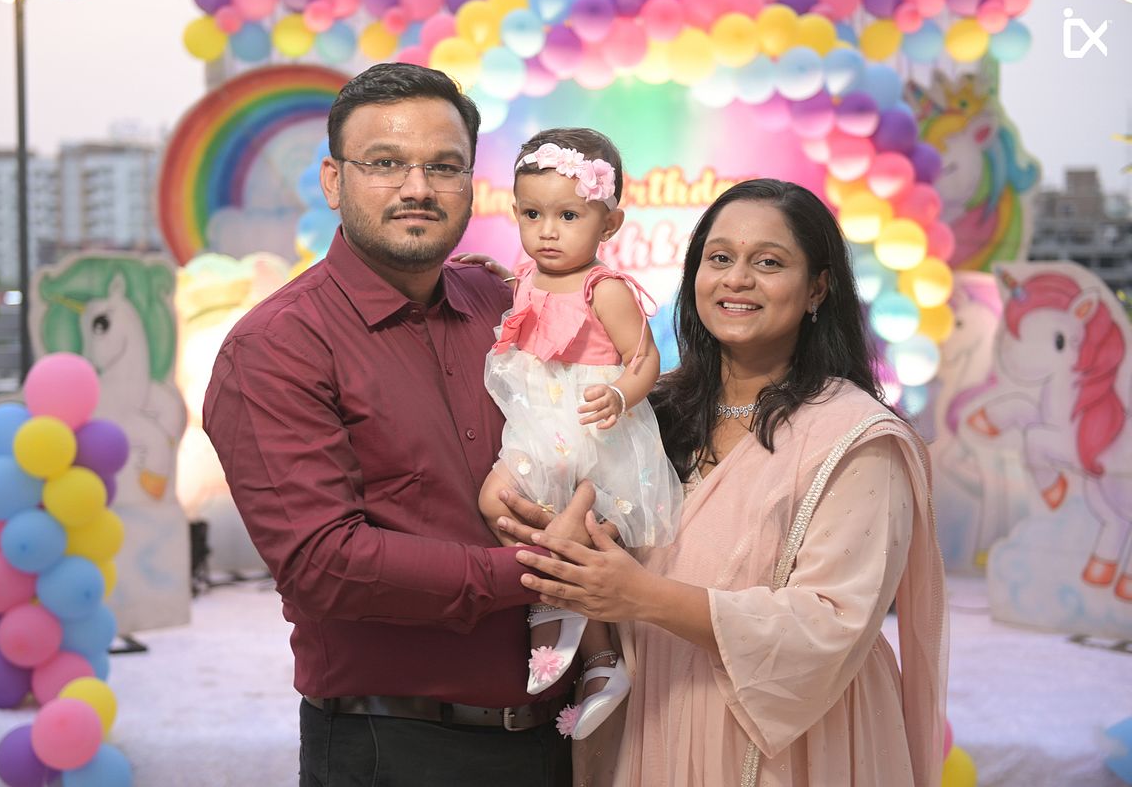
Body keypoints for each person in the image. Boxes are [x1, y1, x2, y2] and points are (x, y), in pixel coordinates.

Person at [498, 178, 948, 786]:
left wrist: (642, 596)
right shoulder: (650, 413)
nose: (737, 279)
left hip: (788, 745)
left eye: (769, 262)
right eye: (719, 258)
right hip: (652, 721)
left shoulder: (856, 438)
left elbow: (831, 624)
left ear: (817, 287)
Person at [203, 63, 575, 787]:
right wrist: (540, 569)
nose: (417, 188)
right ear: (333, 181)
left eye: (444, 166)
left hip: (559, 736)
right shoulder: (278, 345)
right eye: (384, 163)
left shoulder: (502, 303)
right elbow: (323, 563)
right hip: (393, 747)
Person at [474, 128, 683, 740]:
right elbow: (529, 313)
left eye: (568, 216)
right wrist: (496, 278)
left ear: (609, 222)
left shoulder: (605, 288)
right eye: (532, 214)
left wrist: (620, 394)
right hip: (539, 430)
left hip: (590, 432)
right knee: (498, 501)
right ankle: (564, 617)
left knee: (580, 537)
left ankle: (596, 653)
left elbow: (644, 358)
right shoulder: (528, 276)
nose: (548, 231)